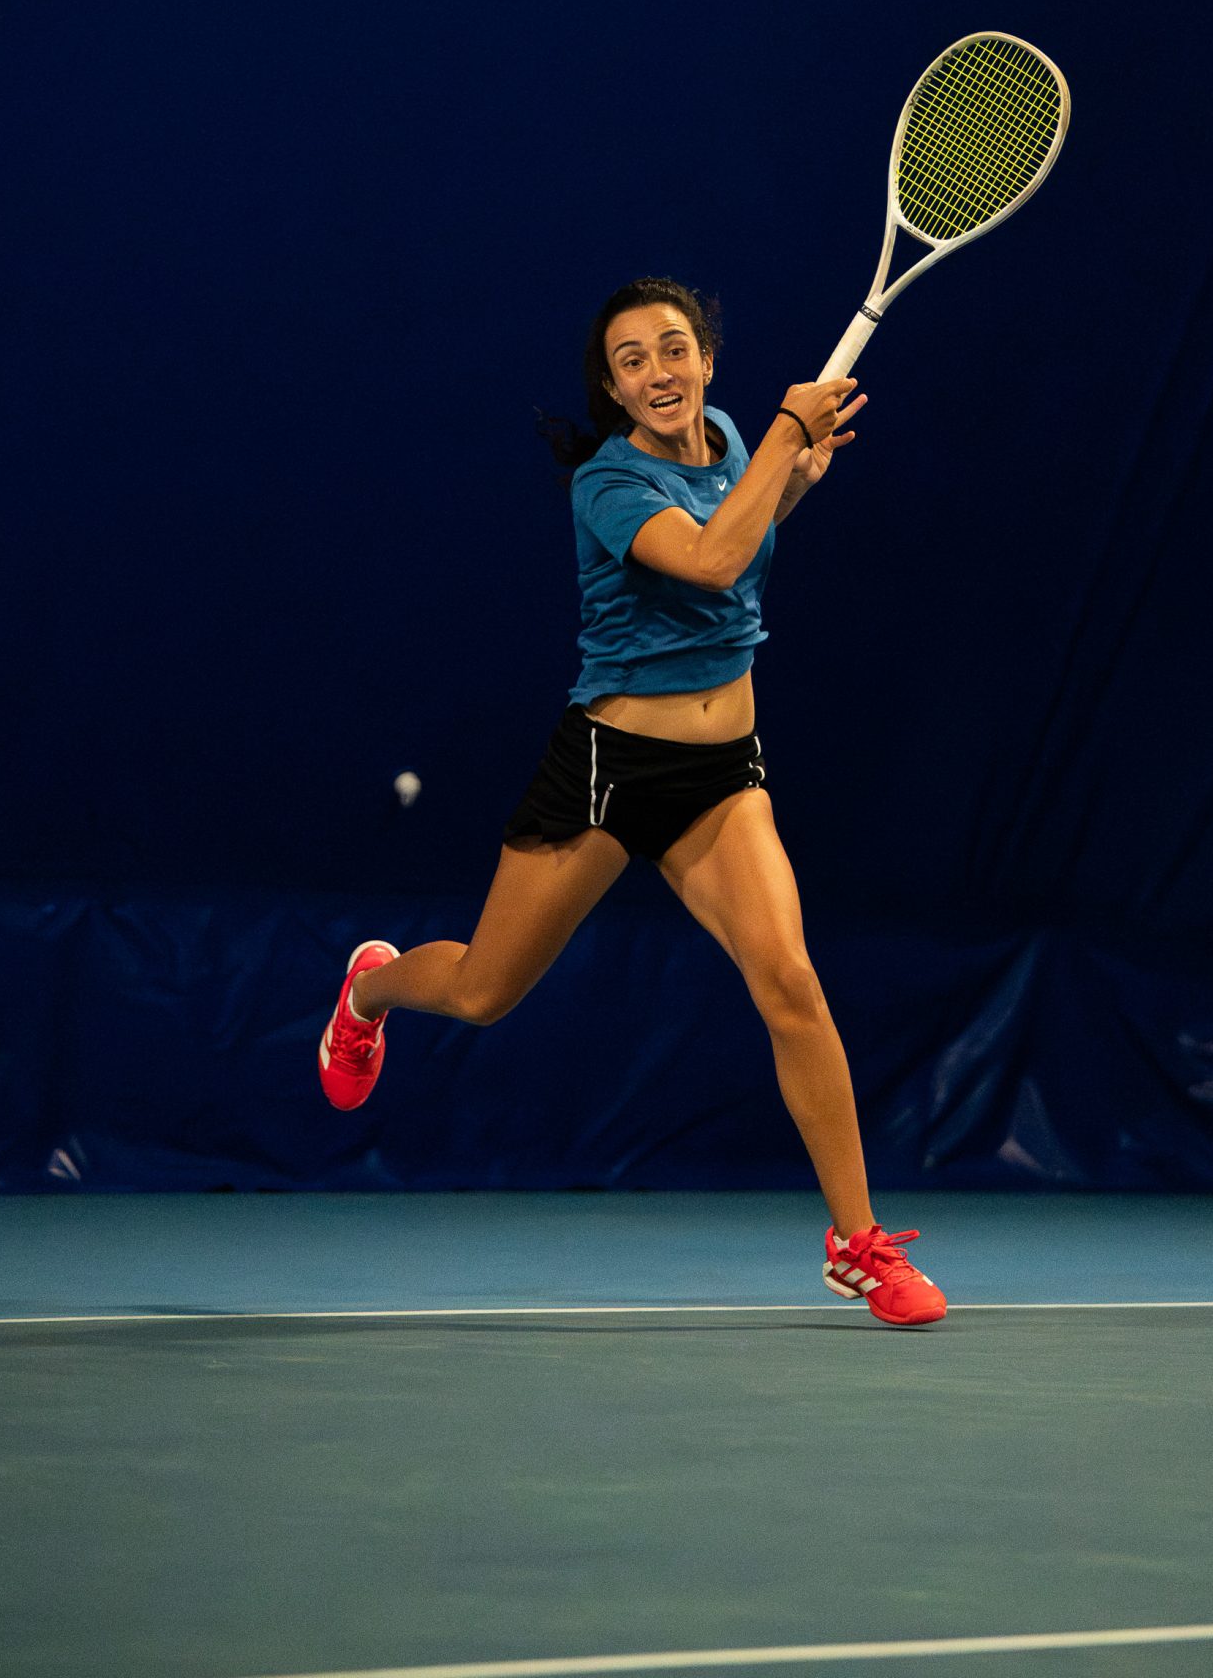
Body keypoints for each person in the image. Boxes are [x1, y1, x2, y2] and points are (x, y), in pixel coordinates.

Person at [317, 275, 946, 1327]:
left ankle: (856, 1244)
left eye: (673, 348)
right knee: (483, 991)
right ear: (611, 389)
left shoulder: (733, 439)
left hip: (722, 774)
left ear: (706, 357)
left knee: (790, 982)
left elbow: (744, 544)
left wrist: (791, 478)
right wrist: (788, 435)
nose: (658, 371)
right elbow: (711, 561)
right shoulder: (606, 483)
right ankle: (370, 991)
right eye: (631, 360)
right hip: (609, 770)